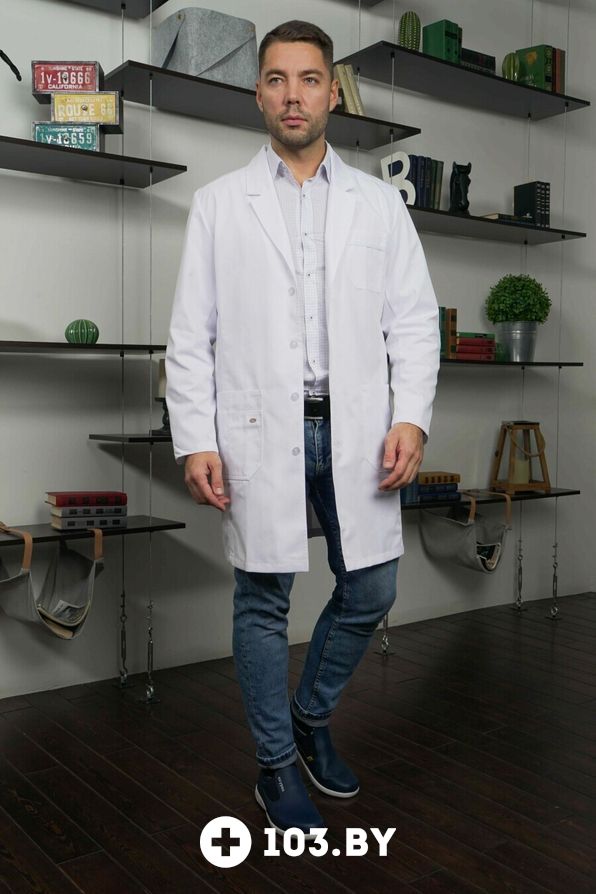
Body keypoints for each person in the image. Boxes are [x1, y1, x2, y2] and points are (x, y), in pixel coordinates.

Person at [166, 20, 440, 837]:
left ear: (331, 95)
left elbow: (414, 321)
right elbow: (191, 335)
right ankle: (276, 764)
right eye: (278, 79)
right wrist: (196, 437)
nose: (294, 95)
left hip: (357, 429)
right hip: (259, 429)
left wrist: (411, 416)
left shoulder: (378, 205)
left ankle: (309, 717)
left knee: (373, 588)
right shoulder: (219, 205)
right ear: (259, 93)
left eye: (310, 79)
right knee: (263, 600)